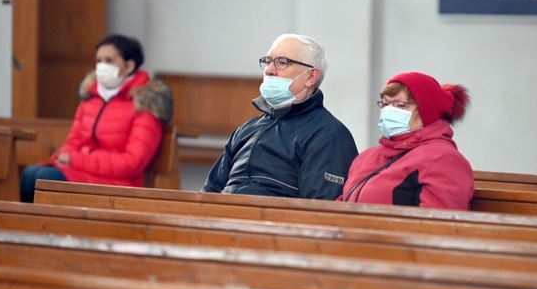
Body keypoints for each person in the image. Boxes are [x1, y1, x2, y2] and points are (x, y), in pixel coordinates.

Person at [202, 33, 358, 199]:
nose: (269, 70)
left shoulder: (328, 135)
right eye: (268, 62)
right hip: (227, 220)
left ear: (311, 77)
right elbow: (208, 194)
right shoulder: (247, 129)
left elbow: (320, 212)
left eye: (282, 62)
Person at [19, 34, 173, 202]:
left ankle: (54, 227)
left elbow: (132, 162)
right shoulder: (91, 98)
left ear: (129, 66)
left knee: (46, 177)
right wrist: (62, 157)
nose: (101, 66)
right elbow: (74, 141)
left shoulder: (145, 104)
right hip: (85, 174)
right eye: (99, 60)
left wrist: (76, 161)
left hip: (119, 183)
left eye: (109, 60)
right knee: (30, 174)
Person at [337, 71, 473, 209]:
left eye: (400, 105)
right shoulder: (367, 157)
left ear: (426, 111)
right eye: (385, 104)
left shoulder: (444, 159)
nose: (388, 111)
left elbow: (438, 225)